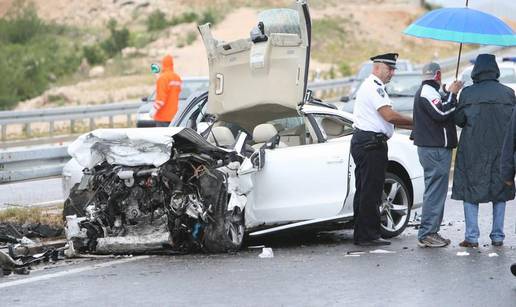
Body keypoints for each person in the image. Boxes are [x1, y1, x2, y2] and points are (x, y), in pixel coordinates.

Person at [452, 54, 516, 248]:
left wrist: (455, 98)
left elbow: (460, 121)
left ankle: (472, 236)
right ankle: (497, 236)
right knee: (500, 189)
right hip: (501, 148)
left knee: (471, 190)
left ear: (476, 70)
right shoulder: (508, 93)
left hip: (473, 149)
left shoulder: (468, 93)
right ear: (495, 69)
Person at [351, 52, 413, 246]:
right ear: (377, 68)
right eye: (389, 68)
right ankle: (368, 235)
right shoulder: (373, 87)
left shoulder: (375, 86)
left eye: (393, 69)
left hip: (368, 142)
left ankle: (363, 233)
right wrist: (417, 123)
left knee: (365, 189)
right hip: (370, 144)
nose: (392, 73)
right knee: (371, 189)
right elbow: (389, 115)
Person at [411, 62, 463, 248]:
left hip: (431, 147)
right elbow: (442, 112)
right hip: (435, 149)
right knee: (435, 192)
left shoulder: (429, 90)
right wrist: (453, 93)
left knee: (434, 190)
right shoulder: (427, 92)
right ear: (438, 74)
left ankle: (430, 231)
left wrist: (446, 93)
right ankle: (428, 233)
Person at [150, 54, 182, 127]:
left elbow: (161, 99)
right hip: (173, 116)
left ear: (163, 64)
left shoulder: (163, 78)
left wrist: (153, 110)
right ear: (172, 64)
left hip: (162, 117)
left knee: (161, 138)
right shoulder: (177, 77)